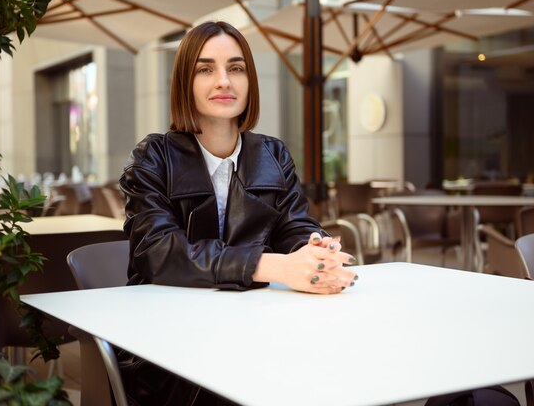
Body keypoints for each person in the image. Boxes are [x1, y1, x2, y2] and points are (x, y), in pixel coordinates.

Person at [118, 20, 357, 405]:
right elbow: (159, 252)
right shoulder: (153, 157)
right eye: (205, 69)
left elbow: (294, 225)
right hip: (172, 357)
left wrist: (315, 250)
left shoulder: (273, 154)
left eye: (236, 67)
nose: (224, 81)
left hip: (258, 336)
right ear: (185, 82)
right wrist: (272, 266)